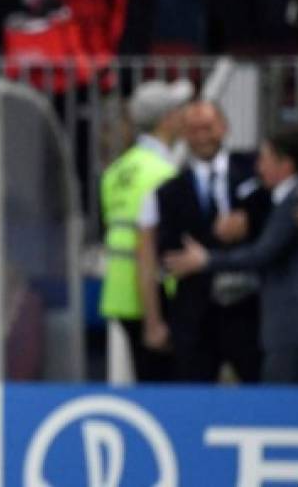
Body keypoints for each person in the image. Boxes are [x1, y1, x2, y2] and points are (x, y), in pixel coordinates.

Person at [166, 128, 298, 383]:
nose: (257, 167)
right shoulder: (289, 197)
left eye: (264, 159)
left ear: (285, 164)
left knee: (282, 410)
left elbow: (263, 253)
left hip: (294, 326)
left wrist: (206, 260)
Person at [138, 101, 269, 382]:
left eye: (208, 128)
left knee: (260, 391)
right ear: (184, 134)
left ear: (224, 128)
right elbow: (156, 254)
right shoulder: (167, 191)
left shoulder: (256, 170)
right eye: (193, 130)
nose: (202, 137)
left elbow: (284, 202)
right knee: (192, 393)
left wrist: (250, 220)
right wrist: (154, 321)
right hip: (194, 314)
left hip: (251, 308)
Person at [98, 78, 192, 382]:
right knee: (166, 388)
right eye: (179, 111)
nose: (183, 117)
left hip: (120, 293)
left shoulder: (116, 171)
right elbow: (146, 244)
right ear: (167, 120)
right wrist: (155, 320)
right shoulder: (163, 173)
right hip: (154, 295)